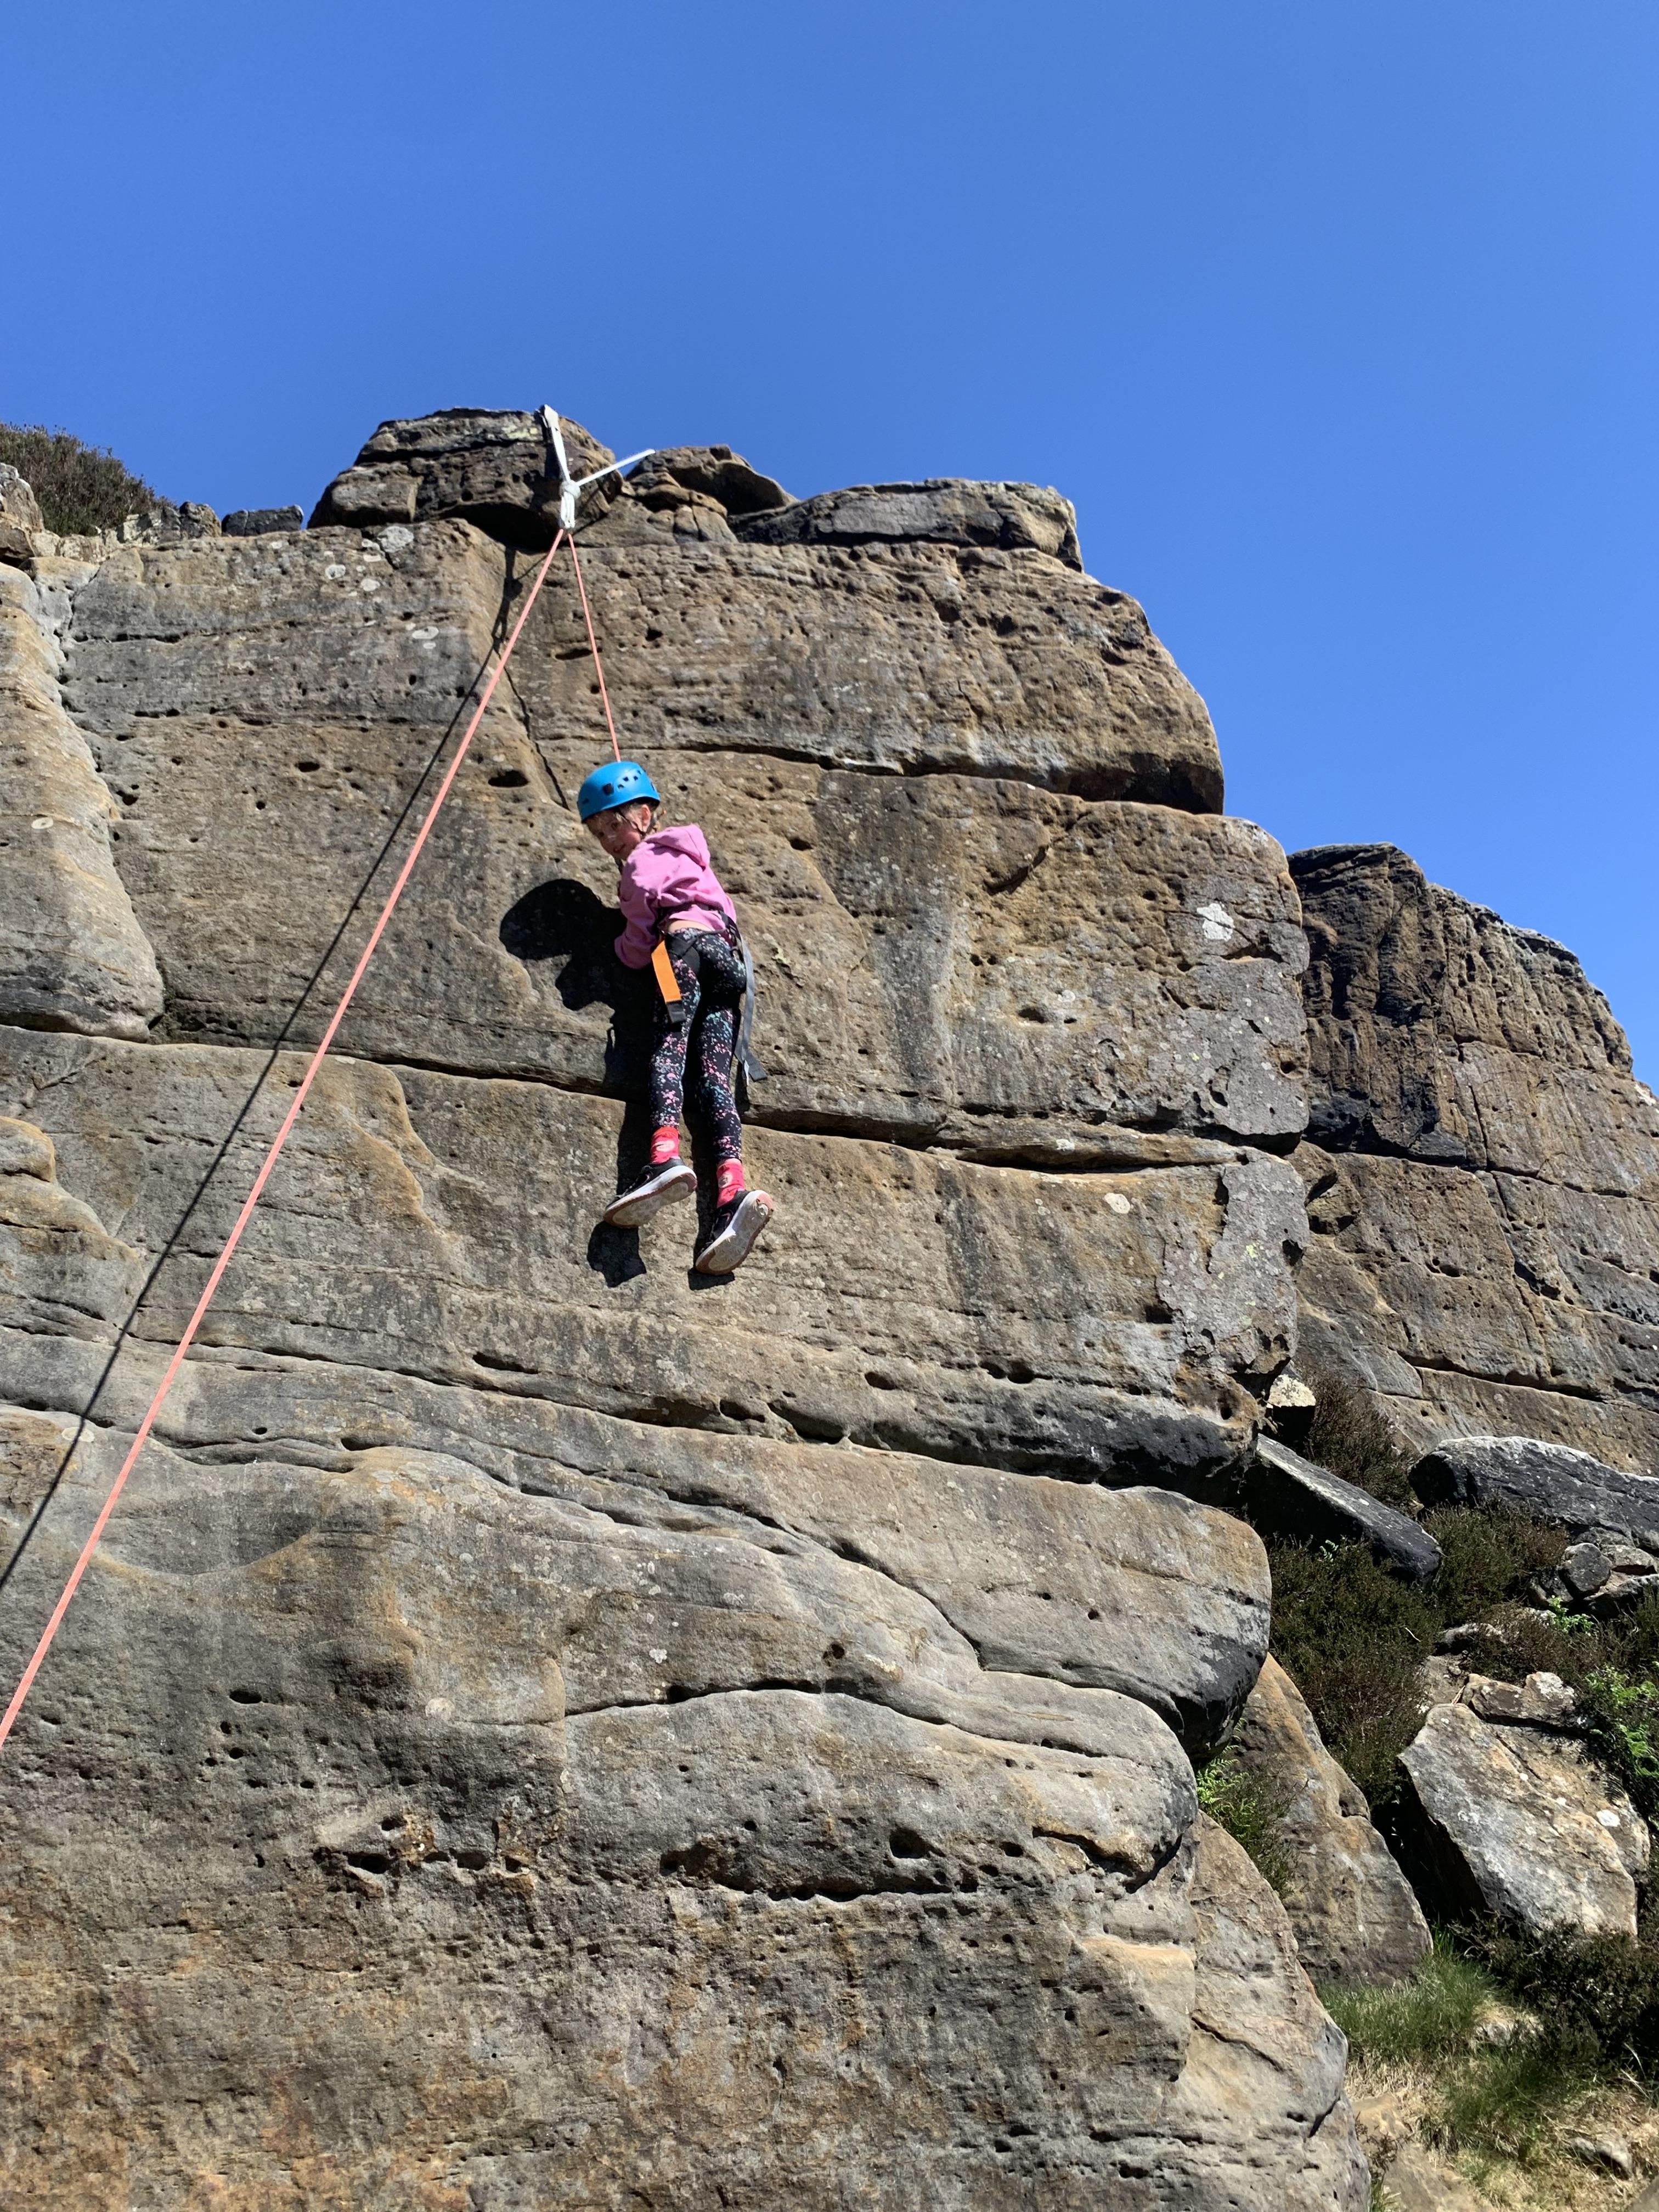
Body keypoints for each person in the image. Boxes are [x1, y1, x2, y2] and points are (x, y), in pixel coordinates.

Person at [578, 758, 776, 1274]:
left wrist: (618, 946)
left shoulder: (640, 865)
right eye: (600, 835)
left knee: (669, 1049)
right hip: (728, 965)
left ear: (644, 815)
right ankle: (731, 1191)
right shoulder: (693, 857)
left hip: (680, 953)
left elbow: (637, 944)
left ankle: (664, 1155)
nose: (610, 841)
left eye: (615, 826)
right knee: (713, 1079)